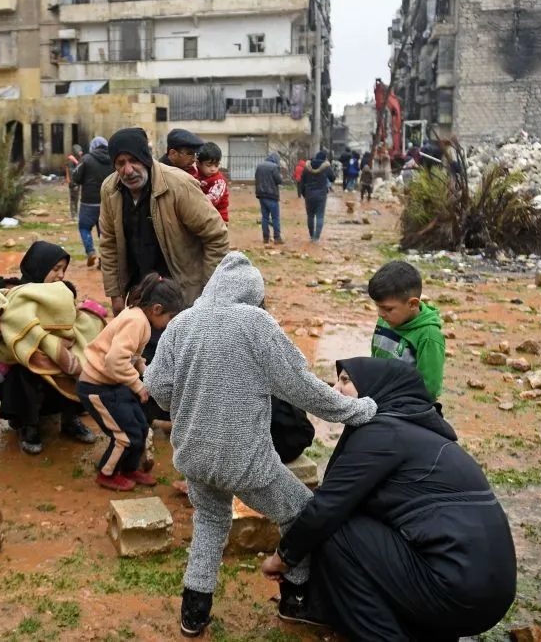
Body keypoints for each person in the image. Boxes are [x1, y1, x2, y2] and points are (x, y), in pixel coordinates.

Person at [144, 252, 378, 638]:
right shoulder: (255, 322)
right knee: (300, 512)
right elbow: (301, 387)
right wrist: (356, 411)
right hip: (245, 459)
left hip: (193, 455)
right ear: (253, 293)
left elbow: (159, 390)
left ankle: (194, 611)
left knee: (210, 522)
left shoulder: (182, 323)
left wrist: (197, 390)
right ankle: (296, 597)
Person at [263, 358, 517, 640]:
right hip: (490, 590)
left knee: (337, 532)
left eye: (345, 380)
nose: (335, 388)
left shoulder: (384, 433)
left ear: (377, 388)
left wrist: (282, 559)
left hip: (457, 587)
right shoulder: (417, 432)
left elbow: (326, 508)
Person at [0, 241, 98, 454]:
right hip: (18, 374)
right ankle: (30, 426)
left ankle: (69, 419)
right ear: (39, 266)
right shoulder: (11, 294)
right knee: (29, 365)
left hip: (54, 362)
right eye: (55, 269)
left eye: (63, 269)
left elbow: (74, 327)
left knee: (70, 359)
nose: (61, 275)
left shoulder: (62, 295)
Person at [98, 127, 229, 313]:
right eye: (120, 163)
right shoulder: (110, 190)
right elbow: (109, 244)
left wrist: (207, 292)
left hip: (181, 295)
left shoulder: (178, 185)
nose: (128, 170)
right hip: (139, 295)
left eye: (134, 160)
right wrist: (115, 294)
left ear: (145, 158)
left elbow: (216, 236)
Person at [78, 274, 185, 491]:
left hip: (113, 383)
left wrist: (144, 371)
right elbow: (114, 361)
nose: (169, 323)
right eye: (170, 317)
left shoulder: (139, 318)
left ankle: (128, 468)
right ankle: (107, 473)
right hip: (97, 386)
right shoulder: (136, 322)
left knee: (139, 426)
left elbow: (131, 356)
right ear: (156, 309)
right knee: (124, 435)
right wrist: (138, 385)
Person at [367, 261, 445, 400]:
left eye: (388, 308)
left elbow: (429, 389)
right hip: (379, 399)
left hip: (404, 408)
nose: (380, 313)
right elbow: (375, 358)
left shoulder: (428, 336)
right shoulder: (385, 320)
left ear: (412, 304)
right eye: (378, 306)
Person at [72, 136, 114, 268]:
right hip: (107, 202)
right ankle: (104, 258)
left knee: (84, 227)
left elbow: (76, 176)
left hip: (88, 202)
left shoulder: (86, 159)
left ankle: (91, 252)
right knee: (104, 231)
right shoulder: (112, 159)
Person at [299, 151, 335, 243]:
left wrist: (304, 194)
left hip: (309, 195)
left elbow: (301, 182)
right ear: (324, 158)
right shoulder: (326, 167)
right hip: (321, 195)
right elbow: (333, 178)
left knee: (310, 216)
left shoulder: (307, 168)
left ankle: (311, 236)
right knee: (320, 216)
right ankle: (316, 238)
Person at [255, 152, 284, 245]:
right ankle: (277, 238)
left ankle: (265, 238)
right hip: (272, 196)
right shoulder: (274, 167)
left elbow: (256, 178)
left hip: (261, 195)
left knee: (265, 218)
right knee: (275, 218)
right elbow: (279, 180)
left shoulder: (259, 166)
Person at [196, 142, 229, 223]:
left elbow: (212, 200)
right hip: (204, 216)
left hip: (218, 219)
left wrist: (193, 201)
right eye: (209, 165)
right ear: (198, 164)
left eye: (216, 165)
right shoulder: (196, 174)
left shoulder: (219, 181)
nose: (213, 169)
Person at [66, 144, 84, 218]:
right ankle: (73, 214)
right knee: (73, 198)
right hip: (73, 182)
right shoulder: (71, 160)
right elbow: (71, 172)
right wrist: (73, 183)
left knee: (76, 198)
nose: (81, 153)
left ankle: (75, 212)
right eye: (79, 151)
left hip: (77, 181)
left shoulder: (77, 159)